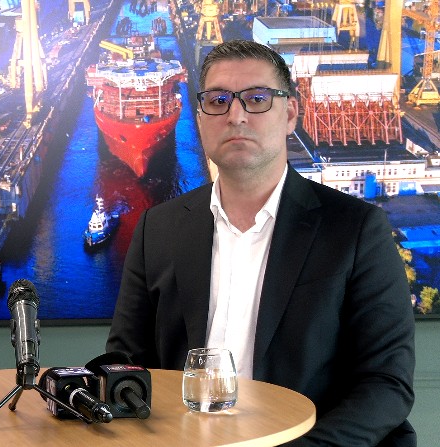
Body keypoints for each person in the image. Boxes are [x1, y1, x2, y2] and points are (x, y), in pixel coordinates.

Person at [106, 40, 416, 446]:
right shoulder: (157, 228)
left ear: (290, 114)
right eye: (218, 101)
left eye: (256, 99)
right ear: (200, 118)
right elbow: (125, 363)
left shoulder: (356, 230)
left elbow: (385, 383)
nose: (235, 115)